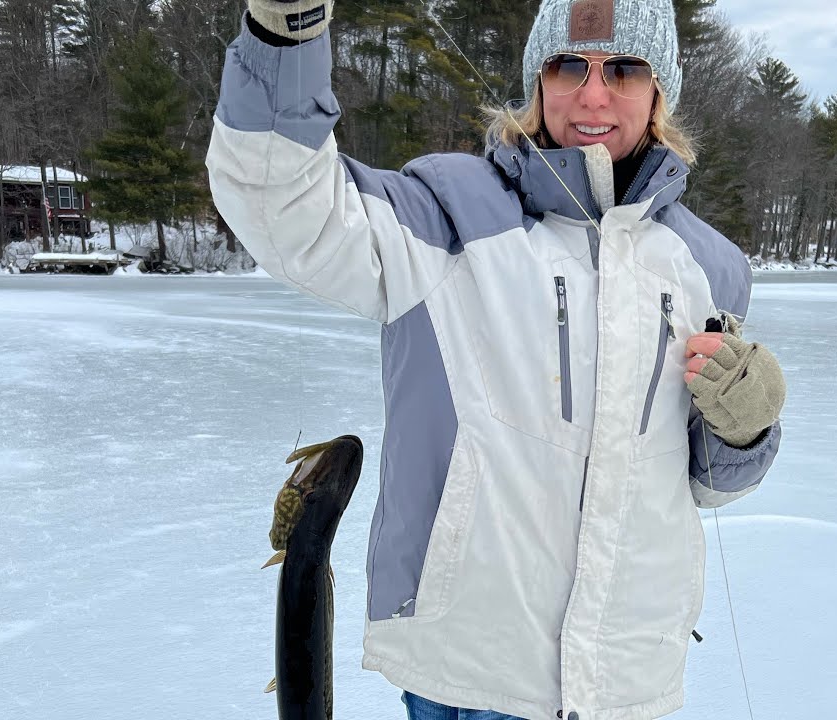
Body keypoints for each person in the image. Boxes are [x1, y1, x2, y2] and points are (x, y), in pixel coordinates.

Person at [207, 0, 786, 718]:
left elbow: (702, 484)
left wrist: (746, 433)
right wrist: (284, 32)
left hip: (629, 679)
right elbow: (285, 206)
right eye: (569, 64)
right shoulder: (447, 212)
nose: (593, 93)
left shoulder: (713, 268)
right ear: (537, 81)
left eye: (625, 69)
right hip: (472, 674)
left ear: (660, 89)